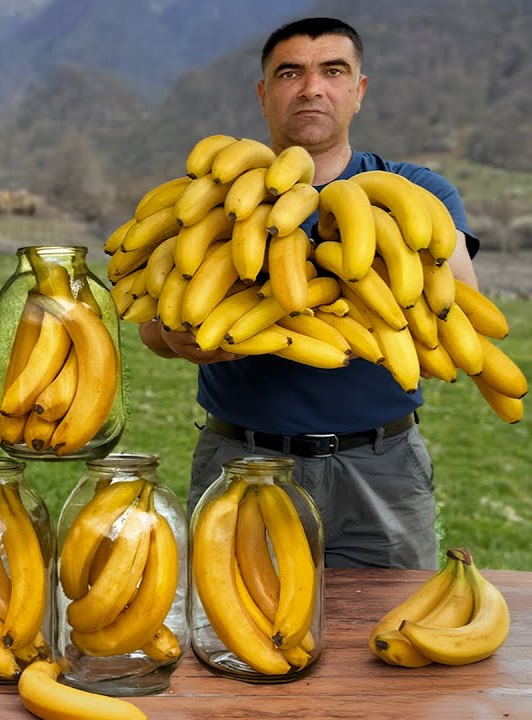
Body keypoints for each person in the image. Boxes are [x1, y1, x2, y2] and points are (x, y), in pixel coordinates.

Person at [138, 17, 480, 570]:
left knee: (388, 638)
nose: (312, 87)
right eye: (290, 72)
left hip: (383, 464)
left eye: (333, 71)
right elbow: (153, 327)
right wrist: (177, 339)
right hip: (243, 459)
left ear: (359, 90)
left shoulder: (417, 195)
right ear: (264, 94)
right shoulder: (210, 200)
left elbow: (458, 309)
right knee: (234, 640)